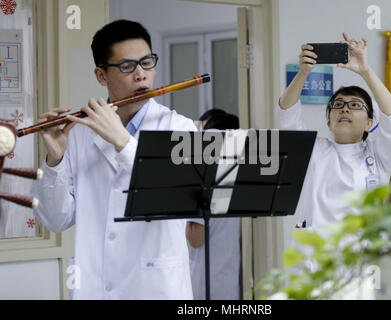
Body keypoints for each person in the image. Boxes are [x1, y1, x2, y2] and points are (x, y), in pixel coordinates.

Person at [31, 20, 197, 299]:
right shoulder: (80, 133)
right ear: (101, 75)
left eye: (147, 62)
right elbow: (56, 219)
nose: (141, 75)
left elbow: (179, 201)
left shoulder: (179, 128)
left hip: (155, 288)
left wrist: (122, 141)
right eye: (127, 67)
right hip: (96, 286)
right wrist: (55, 160)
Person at [278, 33, 391, 231]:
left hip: (364, 254)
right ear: (329, 123)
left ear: (369, 123)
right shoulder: (314, 150)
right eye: (338, 105)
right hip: (317, 254)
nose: (345, 109)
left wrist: (365, 71)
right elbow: (288, 116)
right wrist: (302, 73)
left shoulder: (378, 156)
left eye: (355, 105)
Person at [186, 109, 241, 300]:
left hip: (202, 286)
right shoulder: (232, 175)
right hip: (227, 282)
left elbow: (195, 239)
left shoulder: (205, 177)